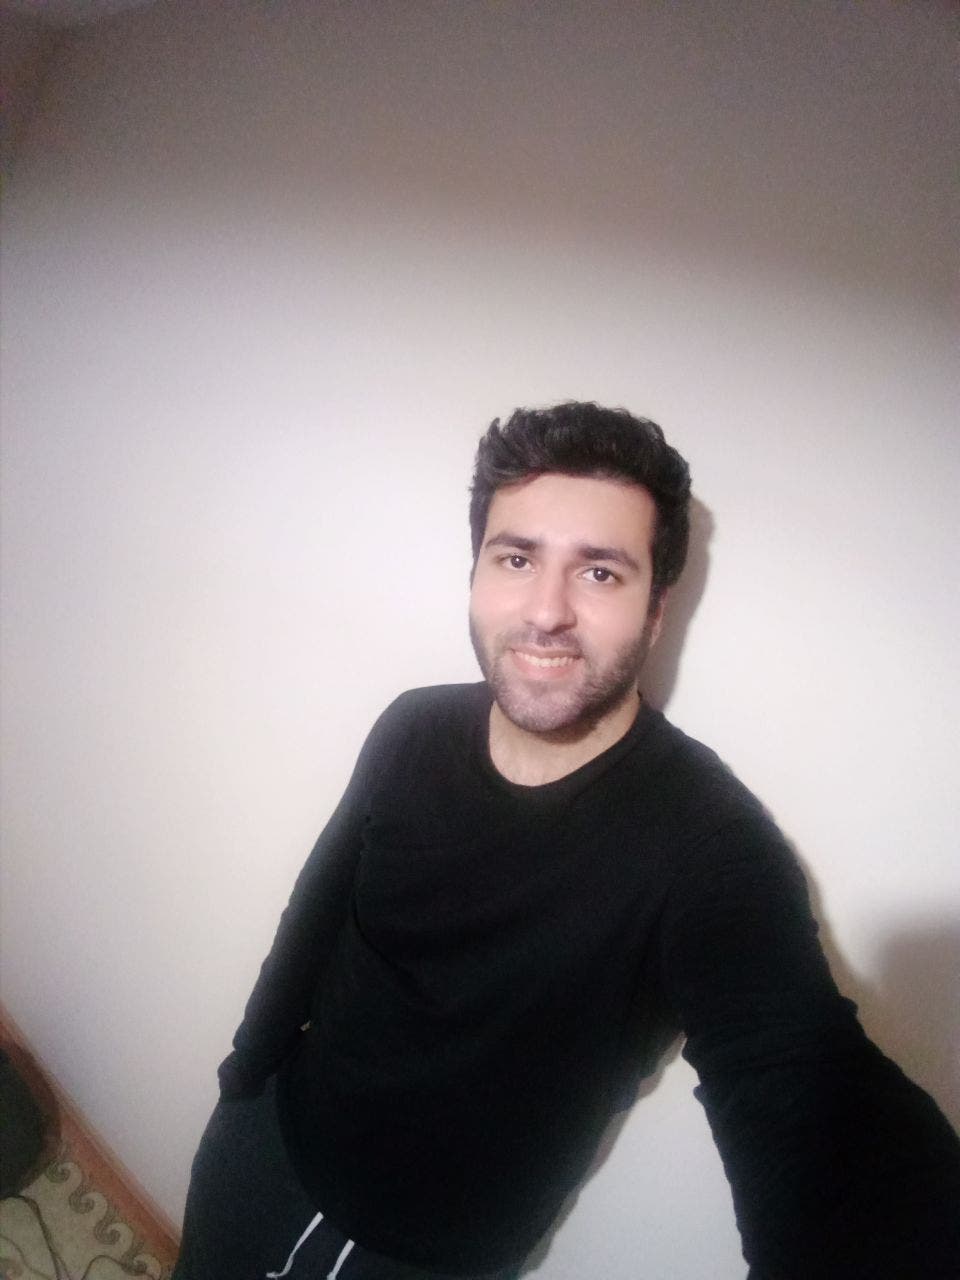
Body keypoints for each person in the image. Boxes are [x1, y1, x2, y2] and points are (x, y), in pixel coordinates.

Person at [173, 402, 960, 1280]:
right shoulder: (413, 725)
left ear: (655, 611)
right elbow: (315, 907)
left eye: (599, 572)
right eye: (516, 559)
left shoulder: (712, 851)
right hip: (265, 1150)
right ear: (476, 572)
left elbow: (813, 1101)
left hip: (433, 1258)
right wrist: (245, 1076)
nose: (546, 612)